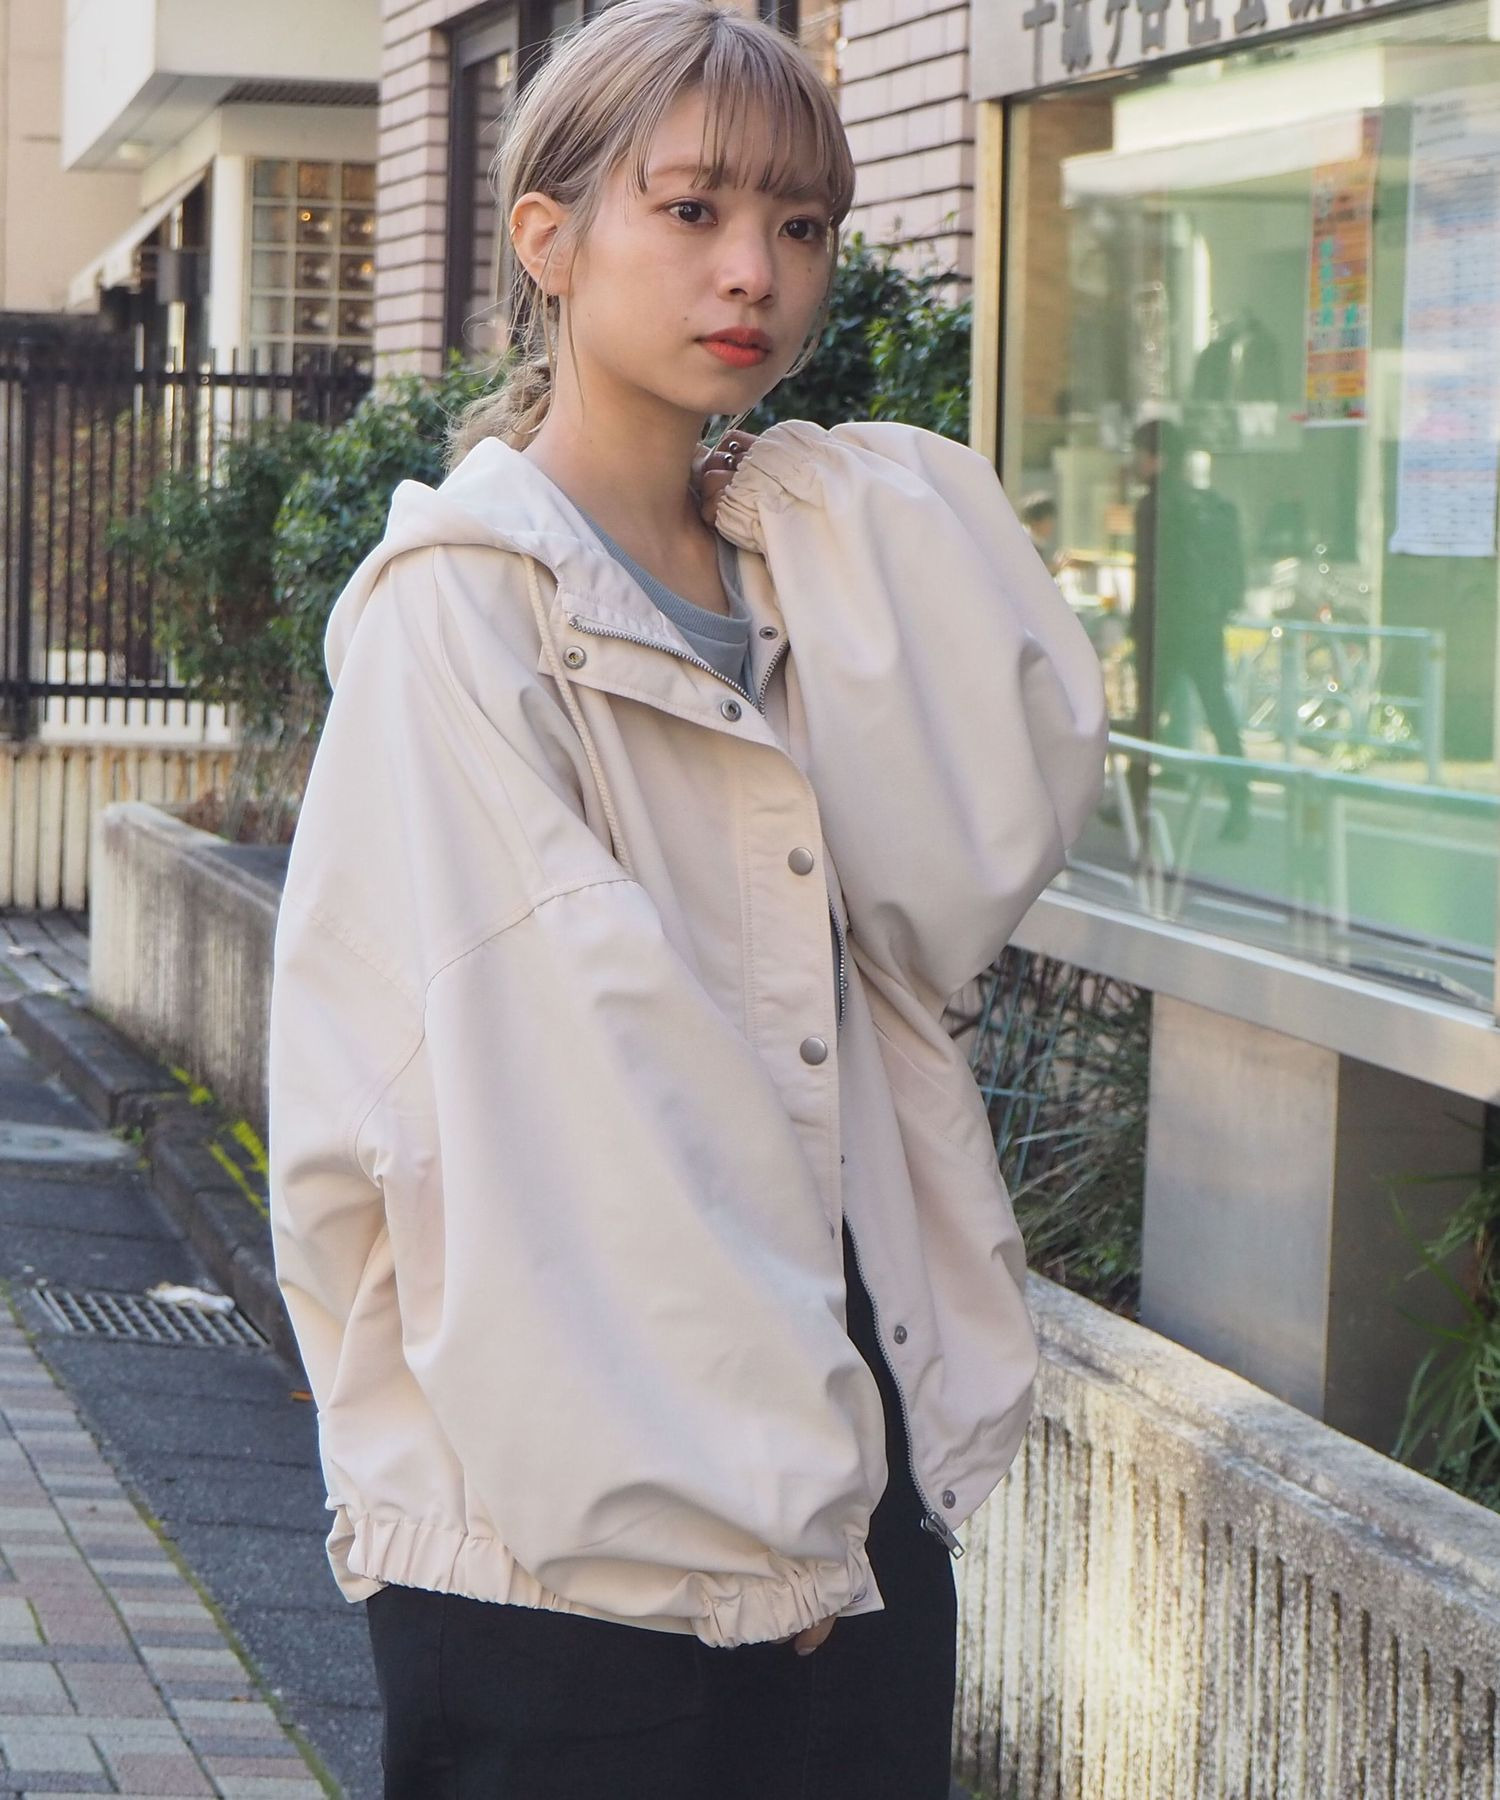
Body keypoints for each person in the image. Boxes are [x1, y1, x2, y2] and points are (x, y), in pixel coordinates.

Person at [265, 4, 1107, 1796]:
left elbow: (952, 892)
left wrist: (855, 535)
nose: (756, 272)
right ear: (548, 237)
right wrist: (755, 1488)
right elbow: (573, 1095)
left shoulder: (796, 573)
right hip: (577, 1512)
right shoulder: (463, 614)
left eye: (801, 224)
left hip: (834, 1456)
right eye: (695, 209)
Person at [1130, 418, 1251, 843]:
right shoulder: (1210, 505)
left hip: (1163, 628)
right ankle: (1241, 805)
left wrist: (1136, 627)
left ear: (1158, 458)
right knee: (1219, 713)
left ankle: (1133, 803)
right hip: (1203, 625)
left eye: (1140, 454)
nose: (1136, 462)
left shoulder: (1153, 507)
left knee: (1147, 719)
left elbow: (1148, 575)